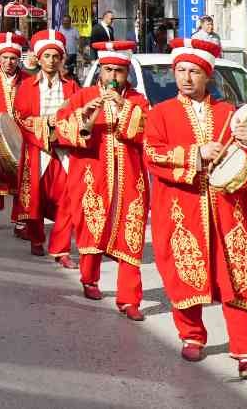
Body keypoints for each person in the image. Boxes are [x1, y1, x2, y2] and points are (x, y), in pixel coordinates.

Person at [144, 36, 247, 378]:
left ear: (208, 76)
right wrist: (195, 154)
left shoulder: (229, 113)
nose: (186, 78)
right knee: (184, 273)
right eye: (180, 70)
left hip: (228, 209)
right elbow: (152, 154)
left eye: (194, 72)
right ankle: (191, 335)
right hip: (180, 209)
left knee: (235, 276)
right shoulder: (160, 114)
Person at [52, 40, 151, 318]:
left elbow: (150, 133)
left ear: (126, 74)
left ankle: (129, 299)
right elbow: (60, 128)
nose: (112, 77)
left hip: (130, 181)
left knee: (130, 235)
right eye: (107, 71)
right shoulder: (83, 97)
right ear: (100, 72)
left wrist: (124, 110)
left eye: (118, 72)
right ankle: (89, 278)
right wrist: (83, 118)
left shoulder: (138, 101)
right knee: (91, 227)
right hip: (91, 176)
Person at [13, 28, 79, 262]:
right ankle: (37, 238)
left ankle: (61, 249)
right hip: (37, 151)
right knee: (35, 198)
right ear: (39, 59)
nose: (51, 61)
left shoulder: (71, 87)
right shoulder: (27, 86)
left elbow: (78, 115)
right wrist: (45, 127)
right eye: (47, 56)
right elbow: (20, 117)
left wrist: (62, 131)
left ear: (62, 59)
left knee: (68, 199)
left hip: (64, 152)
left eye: (56, 57)